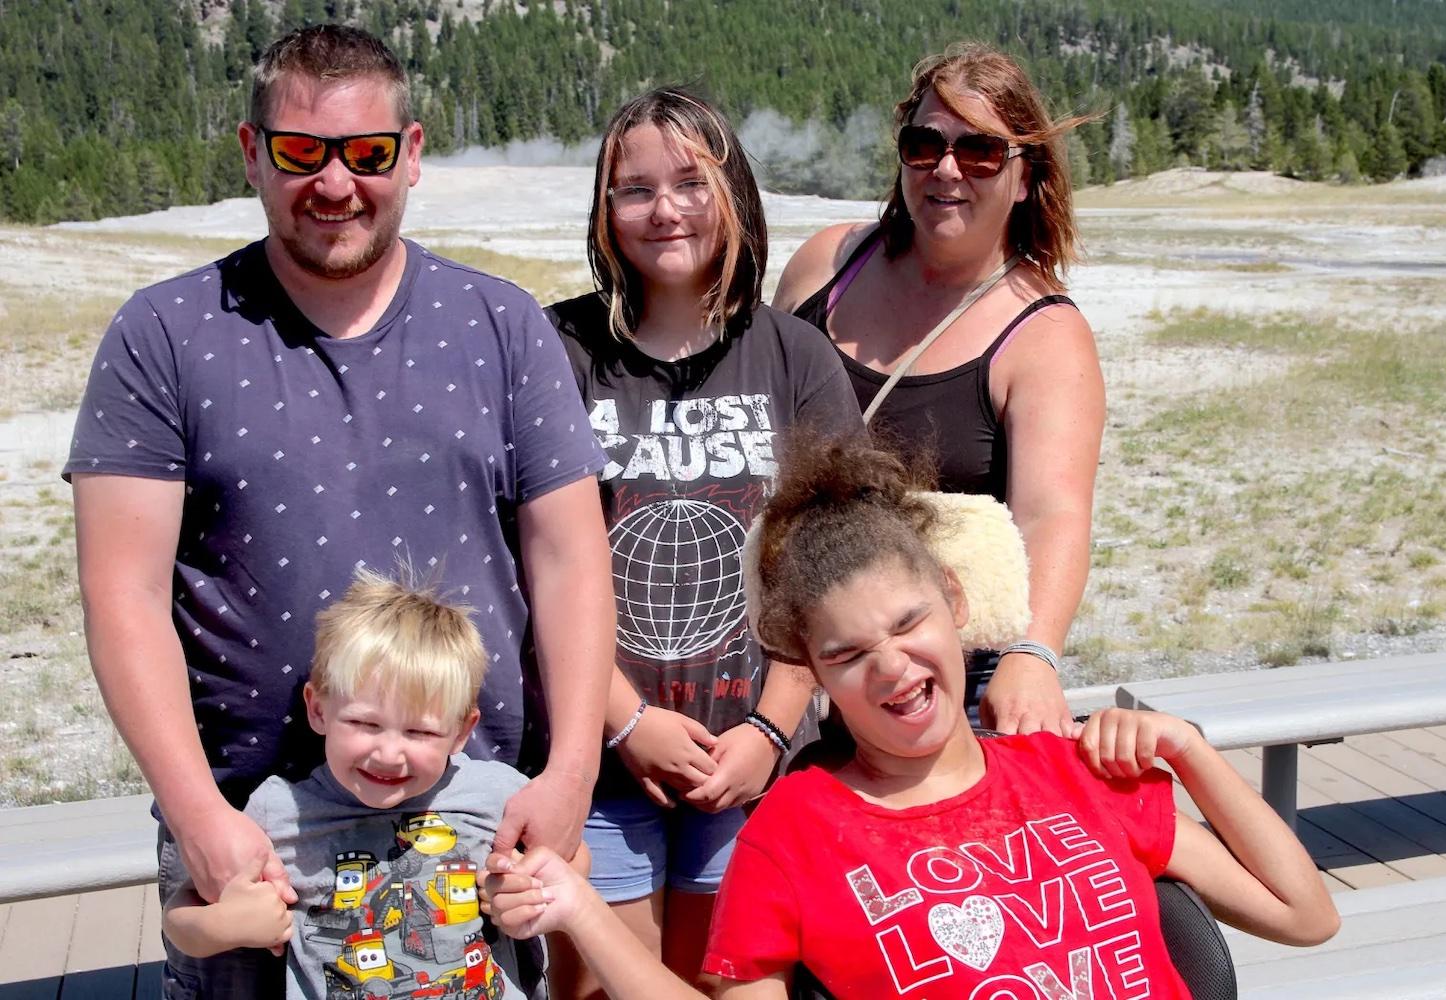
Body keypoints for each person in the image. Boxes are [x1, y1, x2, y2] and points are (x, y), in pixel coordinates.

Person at [64, 23, 613, 997]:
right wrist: (199, 817)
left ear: (409, 155)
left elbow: (569, 560)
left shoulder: (502, 325)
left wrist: (569, 771)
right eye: (300, 153)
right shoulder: (165, 334)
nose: (333, 184)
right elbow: (124, 593)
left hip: (470, 834)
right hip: (255, 847)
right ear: (251, 153)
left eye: (364, 155)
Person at [485, 437, 1340, 1000]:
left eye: (907, 625)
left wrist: (1188, 752)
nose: (892, 668)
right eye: (850, 655)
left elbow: (1307, 915)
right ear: (813, 671)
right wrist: (580, 910)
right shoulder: (795, 833)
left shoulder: (1069, 768)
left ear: (955, 603)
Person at [543, 87, 863, 996]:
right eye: (633, 189)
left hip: (761, 758)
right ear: (605, 213)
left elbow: (829, 567)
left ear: (734, 192)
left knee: (729, 980)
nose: (664, 209)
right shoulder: (557, 350)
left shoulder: (796, 357)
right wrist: (627, 722)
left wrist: (770, 725)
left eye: (691, 180)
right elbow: (533, 564)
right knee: (601, 983)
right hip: (599, 754)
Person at [772, 43, 1105, 737]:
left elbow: (1053, 514)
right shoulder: (826, 264)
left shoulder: (1044, 335)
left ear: (1023, 179)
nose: (947, 169)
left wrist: (1033, 655)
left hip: (943, 676)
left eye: (981, 151)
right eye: (925, 144)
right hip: (796, 653)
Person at [163, 568, 574, 998]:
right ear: (318, 709)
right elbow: (180, 916)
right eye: (364, 723)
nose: (388, 754)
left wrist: (528, 890)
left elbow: (571, 859)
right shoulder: (278, 811)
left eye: (420, 733)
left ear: (461, 730)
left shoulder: (496, 795)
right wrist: (223, 924)